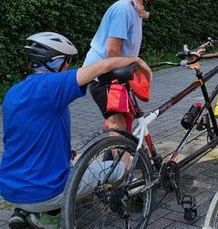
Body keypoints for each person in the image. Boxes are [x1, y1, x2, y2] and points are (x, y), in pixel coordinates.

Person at [0, 32, 152, 229]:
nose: (68, 67)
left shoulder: (13, 92)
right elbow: (103, 66)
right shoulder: (52, 86)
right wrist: (137, 60)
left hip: (9, 187)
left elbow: (22, 138)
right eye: (67, 62)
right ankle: (46, 218)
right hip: (46, 191)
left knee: (69, 161)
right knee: (125, 165)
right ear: (57, 63)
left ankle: (24, 212)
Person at [83, 0, 160, 132]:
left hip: (114, 74)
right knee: (118, 123)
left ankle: (113, 156)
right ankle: (120, 157)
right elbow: (112, 50)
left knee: (126, 118)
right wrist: (136, 63)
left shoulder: (135, 8)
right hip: (101, 76)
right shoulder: (123, 10)